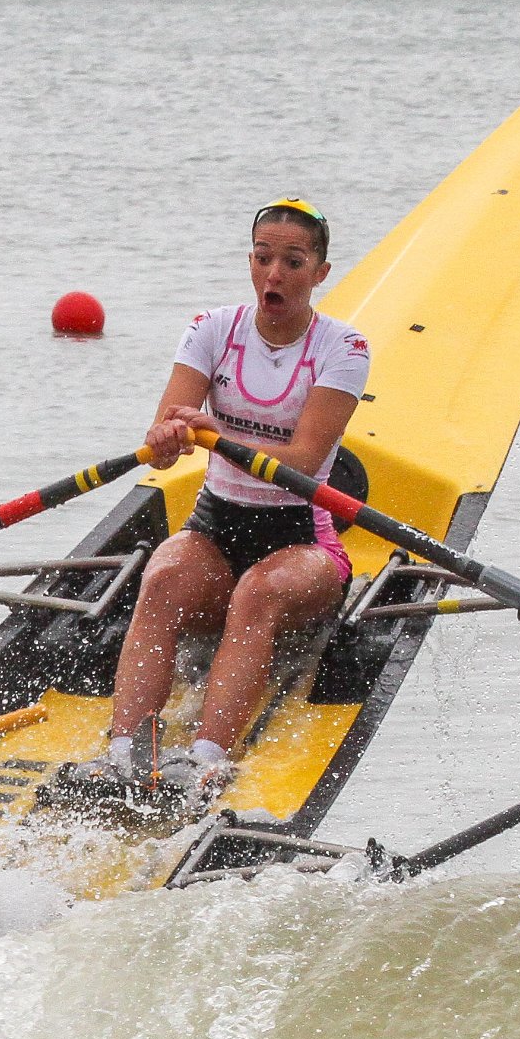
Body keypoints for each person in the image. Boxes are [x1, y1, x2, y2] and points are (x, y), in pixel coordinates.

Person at [70, 199, 370, 811]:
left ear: (320, 272)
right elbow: (165, 444)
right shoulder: (212, 329)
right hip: (216, 527)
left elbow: (307, 460)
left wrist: (215, 431)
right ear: (250, 262)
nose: (274, 276)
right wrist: (164, 439)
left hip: (302, 540)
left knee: (257, 594)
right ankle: (124, 753)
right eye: (263, 259)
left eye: (293, 261)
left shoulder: (345, 347)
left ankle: (207, 761)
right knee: (162, 576)